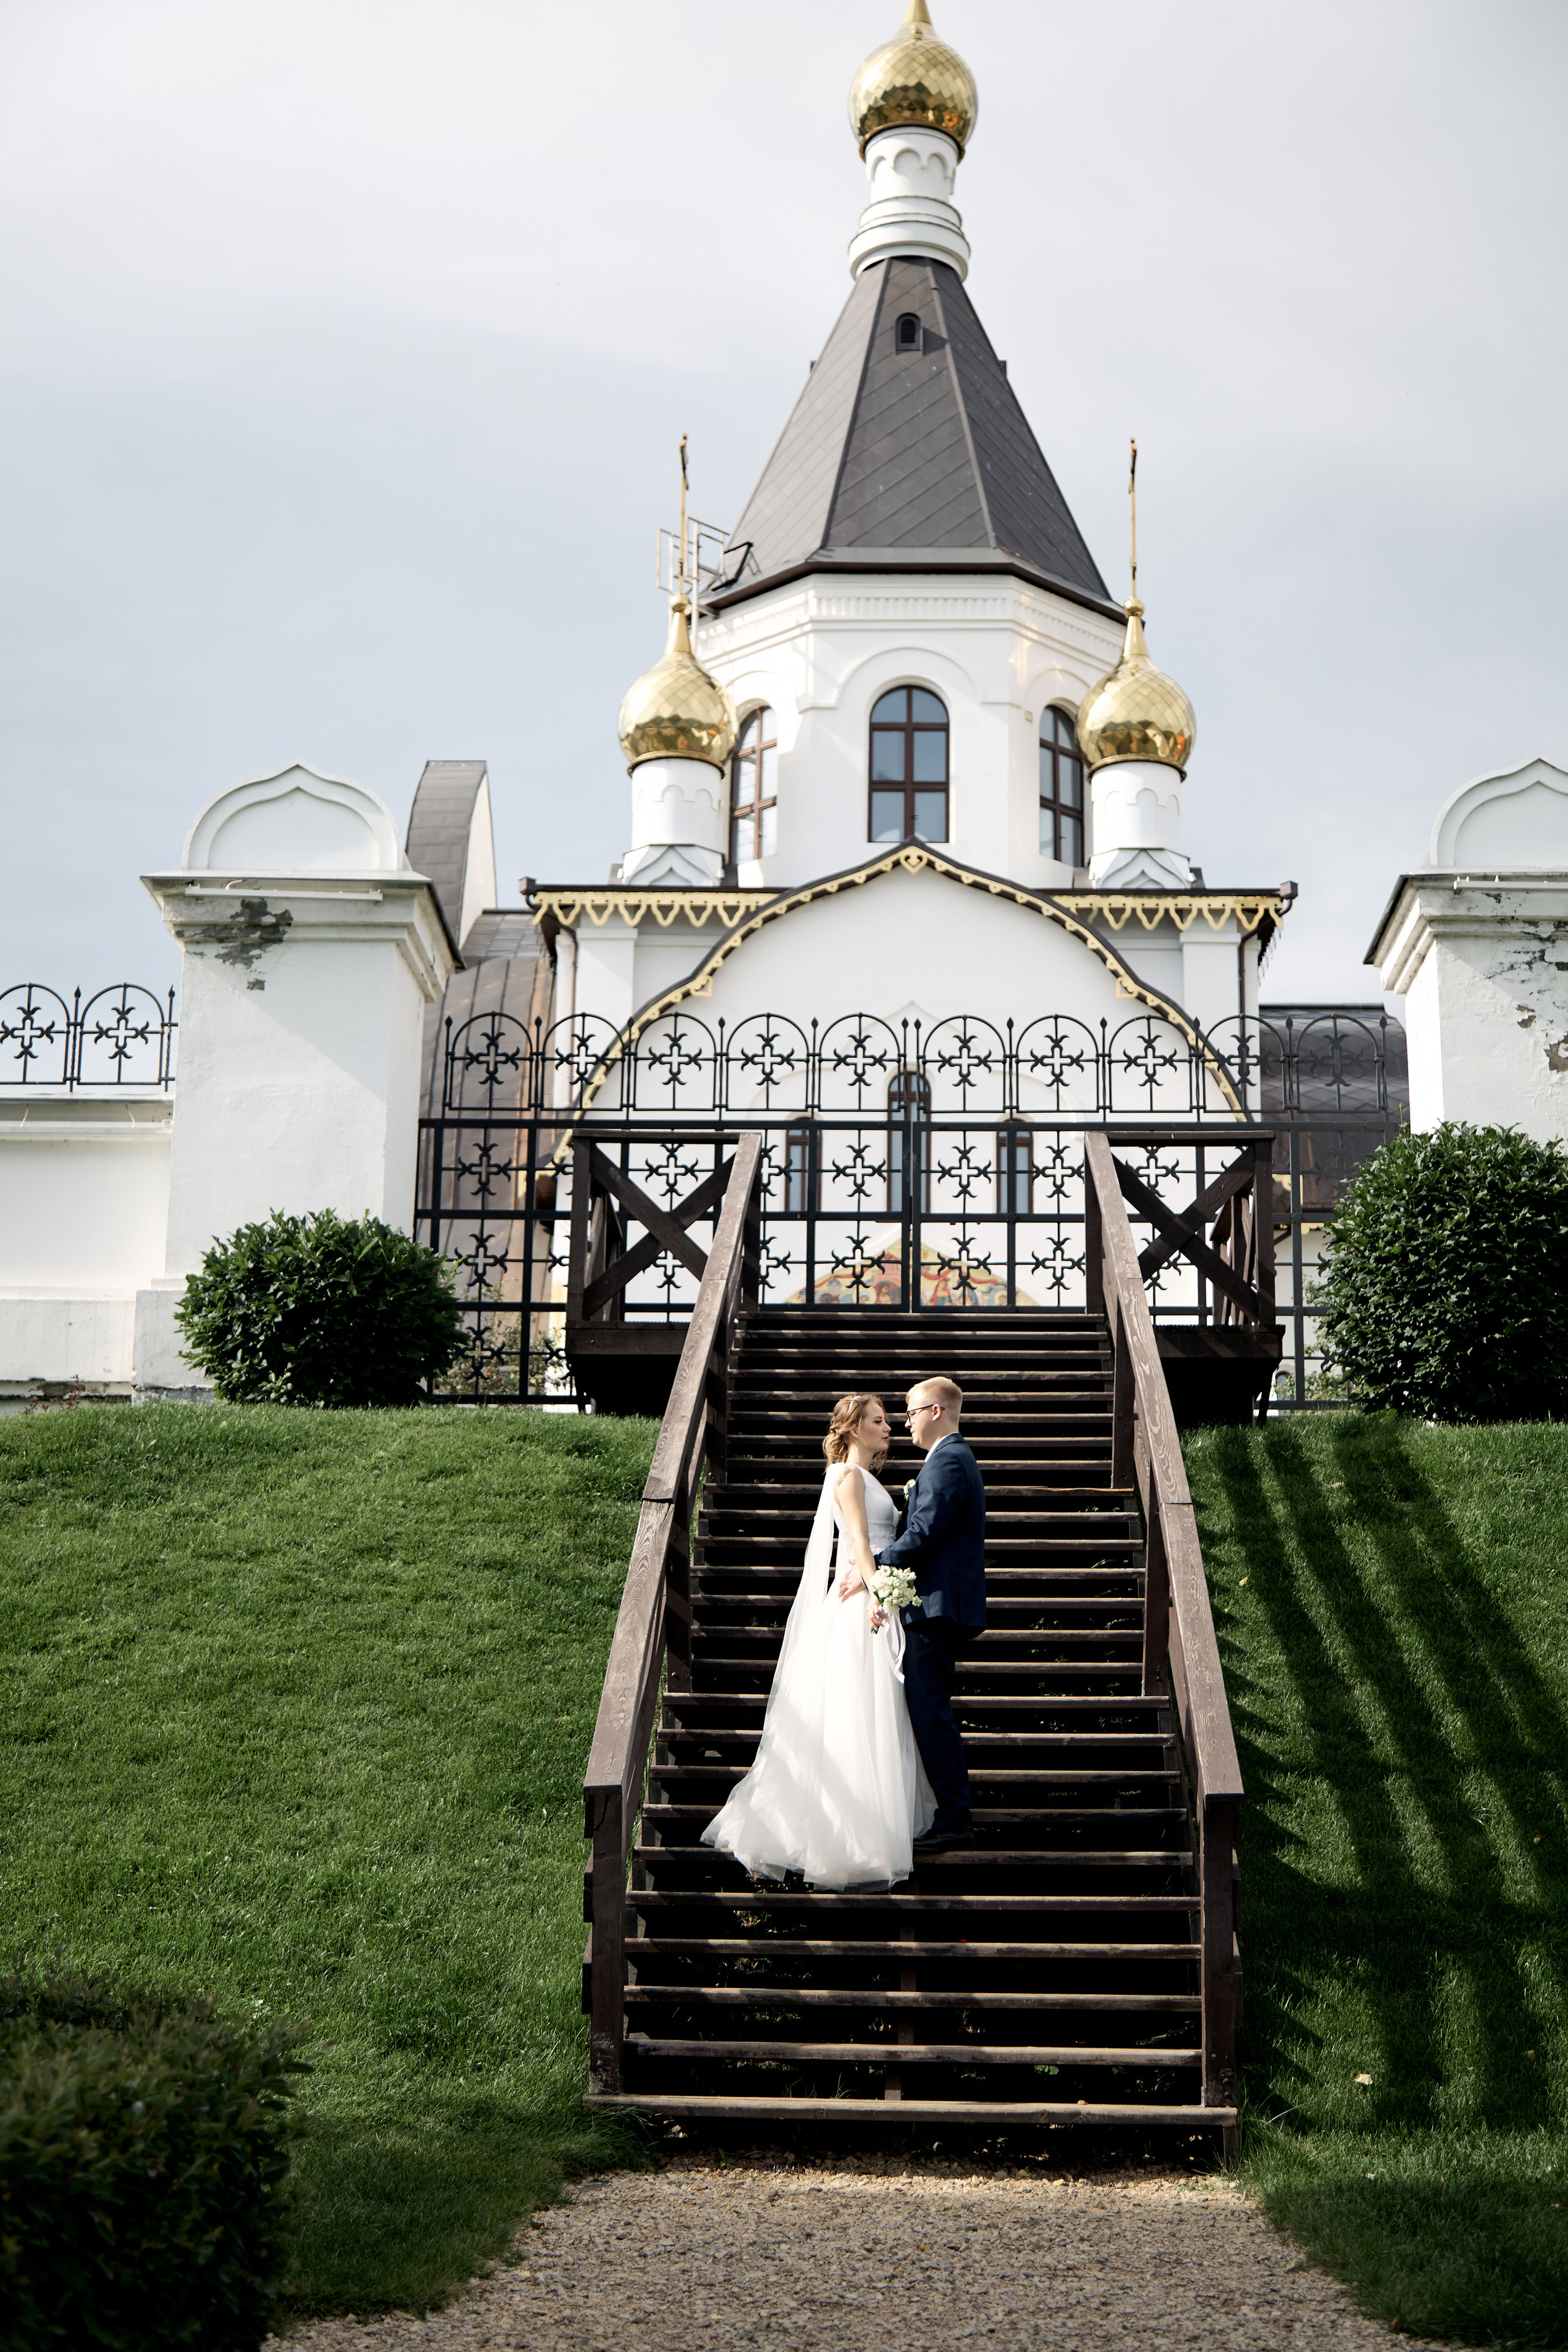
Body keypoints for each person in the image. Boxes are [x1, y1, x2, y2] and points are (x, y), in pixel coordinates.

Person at [701, 1393, 935, 1888]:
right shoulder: (846, 1477)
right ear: (853, 1429)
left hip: (869, 1594)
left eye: (890, 1421)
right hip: (859, 1608)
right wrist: (877, 1592)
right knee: (853, 1715)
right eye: (878, 1421)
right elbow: (858, 1543)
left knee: (875, 1715)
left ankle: (869, 1829)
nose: (889, 1428)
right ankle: (843, 1838)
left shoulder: (870, 1479)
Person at [871, 1377, 986, 1853]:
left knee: (930, 1711)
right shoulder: (949, 1459)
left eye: (912, 1412)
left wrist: (873, 1568)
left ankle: (956, 1815)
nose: (907, 1421)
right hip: (936, 1606)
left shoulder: (948, 1461)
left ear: (937, 1411)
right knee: (929, 1708)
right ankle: (950, 1810)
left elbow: (924, 1532)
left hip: (935, 1609)